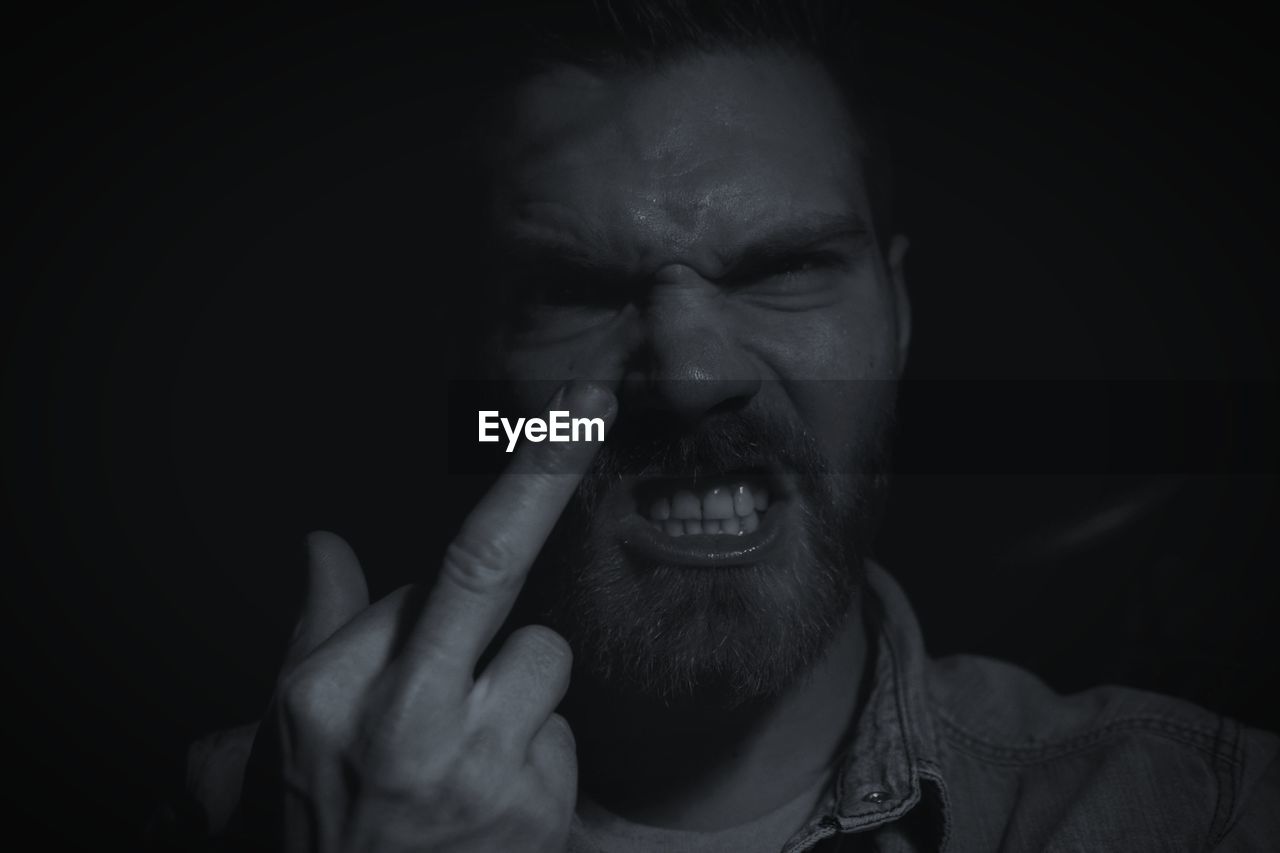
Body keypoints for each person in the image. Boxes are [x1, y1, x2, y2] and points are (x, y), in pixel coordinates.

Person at [156, 2, 1278, 850]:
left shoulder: (1203, 814)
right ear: (470, 357)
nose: (689, 378)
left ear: (897, 316)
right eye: (577, 289)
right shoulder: (211, 815)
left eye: (784, 270)